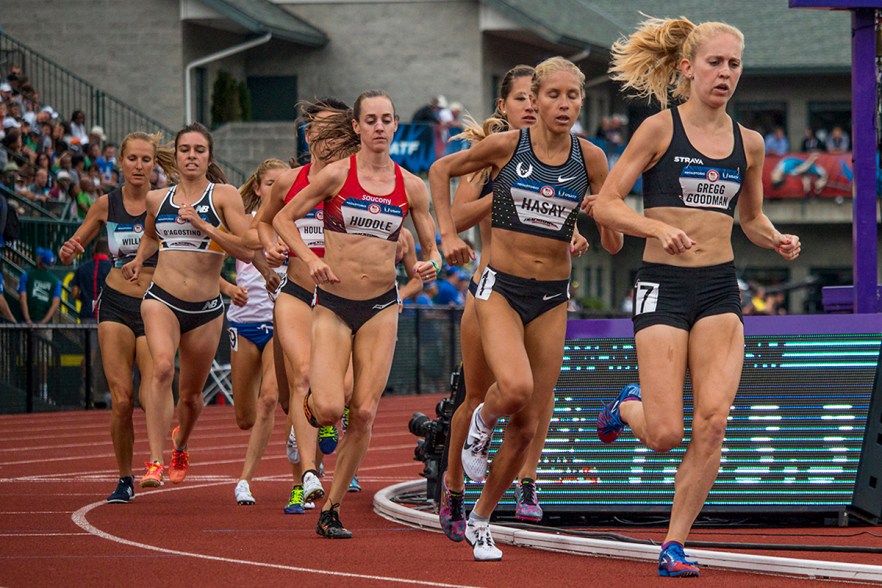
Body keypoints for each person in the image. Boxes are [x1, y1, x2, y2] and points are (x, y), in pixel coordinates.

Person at [591, 16, 801, 577]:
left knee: (712, 422)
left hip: (718, 288)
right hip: (662, 286)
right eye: (715, 62)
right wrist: (655, 229)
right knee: (665, 434)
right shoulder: (660, 130)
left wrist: (775, 236)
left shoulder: (748, 143)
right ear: (687, 68)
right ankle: (623, 405)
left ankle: (674, 544)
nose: (725, 73)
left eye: (734, 64)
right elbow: (606, 204)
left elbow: (749, 218)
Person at [430, 56, 621, 561]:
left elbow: (616, 241)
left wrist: (600, 220)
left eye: (572, 96)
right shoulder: (505, 148)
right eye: (553, 95)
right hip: (497, 287)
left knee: (530, 421)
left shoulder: (592, 159)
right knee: (507, 391)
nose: (563, 104)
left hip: (552, 296)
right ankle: (462, 465)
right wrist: (447, 235)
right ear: (533, 101)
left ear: (582, 102)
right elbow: (440, 169)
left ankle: (482, 519)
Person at [272, 89, 441, 538]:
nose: (379, 127)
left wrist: (431, 263)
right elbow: (284, 219)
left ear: (396, 125)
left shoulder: (412, 186)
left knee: (363, 414)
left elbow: (433, 251)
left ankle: (331, 508)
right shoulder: (335, 176)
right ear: (357, 127)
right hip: (333, 303)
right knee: (329, 408)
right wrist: (310, 259)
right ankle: (306, 411)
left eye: (387, 119)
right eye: (371, 120)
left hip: (382, 306)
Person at [123, 122, 253, 489]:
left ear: (209, 156)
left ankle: (181, 444)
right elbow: (150, 235)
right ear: (176, 157)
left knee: (191, 397)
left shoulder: (224, 196)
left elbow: (245, 248)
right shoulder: (157, 199)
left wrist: (203, 224)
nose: (191, 156)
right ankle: (153, 461)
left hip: (206, 309)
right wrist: (138, 259)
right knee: (161, 368)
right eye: (185, 149)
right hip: (161, 299)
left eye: (199, 150)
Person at [59, 131, 174, 502]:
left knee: (149, 391)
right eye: (133, 159)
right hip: (115, 305)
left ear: (155, 164)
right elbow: (75, 244)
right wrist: (68, 250)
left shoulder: (165, 203)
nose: (139, 166)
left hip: (155, 305)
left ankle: (155, 460)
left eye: (146, 159)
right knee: (121, 400)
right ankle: (124, 477)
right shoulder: (106, 204)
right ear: (120, 162)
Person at [257, 97, 356, 515]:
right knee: (300, 375)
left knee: (344, 389)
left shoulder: (355, 181)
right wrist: (271, 247)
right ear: (308, 134)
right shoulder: (289, 182)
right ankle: (309, 474)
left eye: (336, 131)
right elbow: (264, 221)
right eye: (318, 130)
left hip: (341, 298)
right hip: (297, 293)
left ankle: (322, 416)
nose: (325, 139)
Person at [223, 159, 289, 506]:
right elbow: (204, 259)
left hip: (280, 324)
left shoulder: (294, 224)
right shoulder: (246, 224)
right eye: (269, 182)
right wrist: (226, 286)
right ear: (258, 187)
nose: (275, 188)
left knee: (269, 400)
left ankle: (245, 480)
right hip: (243, 324)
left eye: (282, 182)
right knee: (244, 417)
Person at [69, 237, 111, 322]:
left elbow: (74, 293)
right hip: (107, 315)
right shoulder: (112, 268)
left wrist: (85, 298)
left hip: (86, 313)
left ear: (94, 249)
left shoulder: (82, 268)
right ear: (109, 251)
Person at [18, 247, 61, 324]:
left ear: (39, 260)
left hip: (25, 323)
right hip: (45, 325)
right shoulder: (56, 281)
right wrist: (43, 322)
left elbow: (22, 298)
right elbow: (56, 304)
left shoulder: (26, 275)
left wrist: (28, 320)